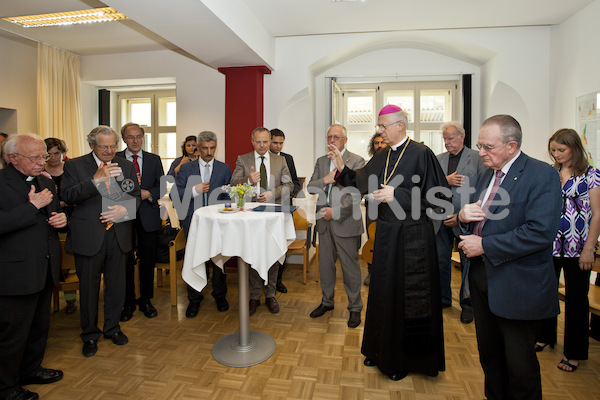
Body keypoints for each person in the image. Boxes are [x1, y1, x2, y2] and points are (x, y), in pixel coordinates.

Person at [330, 104, 449, 381]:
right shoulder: (383, 154)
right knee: (384, 292)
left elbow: (440, 199)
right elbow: (361, 182)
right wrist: (341, 169)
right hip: (386, 233)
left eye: (384, 126)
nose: (379, 131)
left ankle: (407, 358)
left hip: (413, 238)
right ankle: (380, 350)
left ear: (400, 125)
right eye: (379, 126)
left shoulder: (422, 153)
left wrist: (400, 196)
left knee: (407, 297)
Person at [458, 115, 561, 399]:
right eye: (480, 145)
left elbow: (540, 232)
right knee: (490, 359)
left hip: (518, 285)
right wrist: (464, 217)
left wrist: (485, 245)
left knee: (520, 367)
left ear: (512, 146)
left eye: (488, 146)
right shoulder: (485, 173)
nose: (481, 152)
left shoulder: (542, 175)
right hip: (482, 280)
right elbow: (478, 217)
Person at [61, 125, 140, 358]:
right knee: (88, 288)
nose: (109, 151)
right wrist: (95, 181)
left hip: (118, 234)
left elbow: (135, 197)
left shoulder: (125, 165)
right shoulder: (74, 165)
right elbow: (67, 196)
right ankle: (89, 334)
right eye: (104, 146)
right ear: (92, 145)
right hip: (89, 236)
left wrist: (123, 211)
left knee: (117, 286)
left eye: (113, 145)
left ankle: (112, 328)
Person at [0, 134, 67, 400]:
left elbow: (50, 215)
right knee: (12, 335)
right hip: (15, 273)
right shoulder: (1, 183)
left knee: (39, 327)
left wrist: (62, 219)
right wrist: (31, 207)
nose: (43, 162)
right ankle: (6, 387)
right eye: (35, 157)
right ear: (12, 158)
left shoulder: (43, 180)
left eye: (44, 156)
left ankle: (30, 370)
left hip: (44, 268)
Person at [535, 128, 600, 372]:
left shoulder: (591, 175)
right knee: (545, 294)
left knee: (576, 301)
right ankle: (544, 336)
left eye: (561, 149)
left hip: (578, 247)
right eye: (553, 150)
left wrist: (589, 249)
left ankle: (574, 352)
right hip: (548, 246)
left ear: (574, 147)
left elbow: (597, 214)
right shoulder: (550, 173)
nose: (557, 154)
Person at [231, 127, 294, 315]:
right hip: (250, 216)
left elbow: (289, 185)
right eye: (258, 142)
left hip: (273, 215)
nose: (262, 145)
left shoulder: (280, 160)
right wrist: (248, 180)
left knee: (273, 255)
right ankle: (254, 296)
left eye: (265, 142)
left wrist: (272, 193)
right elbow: (233, 183)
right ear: (252, 141)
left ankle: (270, 294)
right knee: (251, 255)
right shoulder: (243, 159)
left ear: (269, 141)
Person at [307, 124, 365, 328]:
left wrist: (336, 211)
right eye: (329, 137)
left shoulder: (357, 161)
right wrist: (325, 179)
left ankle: (355, 308)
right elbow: (310, 187)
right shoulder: (321, 162)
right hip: (324, 222)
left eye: (336, 137)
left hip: (346, 223)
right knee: (325, 266)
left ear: (345, 140)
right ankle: (327, 302)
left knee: (350, 269)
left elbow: (356, 193)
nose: (332, 141)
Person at [435, 122, 489, 324]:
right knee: (441, 260)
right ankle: (443, 298)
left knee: (468, 263)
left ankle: (468, 304)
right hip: (441, 219)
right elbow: (428, 186)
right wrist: (444, 181)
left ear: (461, 137)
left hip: (467, 220)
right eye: (445, 139)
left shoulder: (477, 158)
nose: (447, 142)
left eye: (450, 138)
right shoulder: (438, 159)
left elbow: (484, 189)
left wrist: (463, 215)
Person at [175, 130, 232, 318]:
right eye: (205, 148)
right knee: (195, 259)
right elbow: (175, 197)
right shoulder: (185, 169)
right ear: (198, 148)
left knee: (218, 261)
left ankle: (220, 295)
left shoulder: (224, 169)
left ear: (216, 147)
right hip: (193, 221)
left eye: (212, 148)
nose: (209, 152)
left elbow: (227, 196)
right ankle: (194, 300)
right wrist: (193, 190)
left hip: (218, 223)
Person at [117, 123, 165, 321]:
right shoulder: (115, 160)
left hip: (148, 216)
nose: (135, 140)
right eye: (131, 137)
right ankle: (127, 302)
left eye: (138, 136)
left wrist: (149, 193)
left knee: (147, 261)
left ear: (143, 138)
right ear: (124, 139)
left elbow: (161, 186)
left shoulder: (154, 159)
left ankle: (146, 300)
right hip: (124, 218)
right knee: (125, 262)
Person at [44, 137, 78, 315]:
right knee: (54, 262)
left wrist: (64, 203)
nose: (53, 157)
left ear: (62, 152)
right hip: (50, 222)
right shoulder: (41, 173)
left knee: (69, 261)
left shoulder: (71, 169)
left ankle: (70, 299)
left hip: (72, 220)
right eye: (48, 154)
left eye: (56, 153)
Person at [269, 128, 301, 293]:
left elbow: (295, 182)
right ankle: (263, 282)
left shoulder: (288, 158)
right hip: (265, 209)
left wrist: (290, 194)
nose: (278, 146)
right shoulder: (262, 160)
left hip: (284, 207)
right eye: (275, 142)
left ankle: (277, 281)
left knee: (281, 245)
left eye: (281, 143)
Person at [363, 132, 388, 286]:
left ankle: (386, 274)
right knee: (371, 239)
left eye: (382, 142)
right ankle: (371, 272)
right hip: (372, 207)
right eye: (376, 143)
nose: (379, 145)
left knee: (387, 241)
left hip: (390, 208)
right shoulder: (369, 164)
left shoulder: (394, 162)